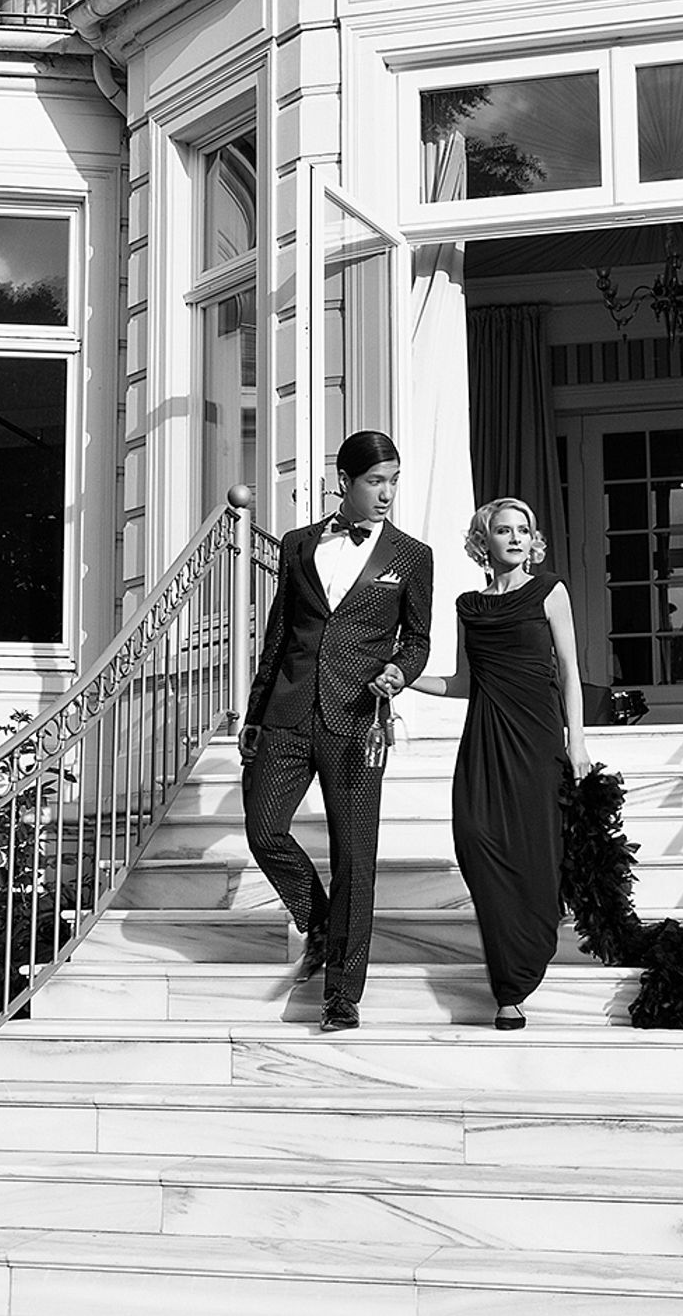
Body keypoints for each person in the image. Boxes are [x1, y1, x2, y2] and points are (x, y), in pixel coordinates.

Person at [242, 430, 434, 1032]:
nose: (387, 493)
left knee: (354, 856)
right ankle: (320, 920)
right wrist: (254, 714)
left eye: (393, 481)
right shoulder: (298, 545)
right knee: (264, 830)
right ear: (345, 482)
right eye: (376, 481)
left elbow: (419, 640)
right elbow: (278, 634)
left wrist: (399, 672)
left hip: (357, 719)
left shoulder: (412, 556)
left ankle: (342, 995)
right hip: (288, 711)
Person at [409, 497, 587, 1029]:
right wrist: (404, 677)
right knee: (475, 839)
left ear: (533, 541)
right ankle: (510, 958)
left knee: (536, 851)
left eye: (522, 531)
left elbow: (570, 672)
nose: (514, 538)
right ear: (482, 541)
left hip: (537, 739)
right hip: (485, 740)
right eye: (503, 530)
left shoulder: (550, 591)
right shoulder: (470, 606)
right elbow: (463, 682)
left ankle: (511, 988)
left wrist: (576, 742)